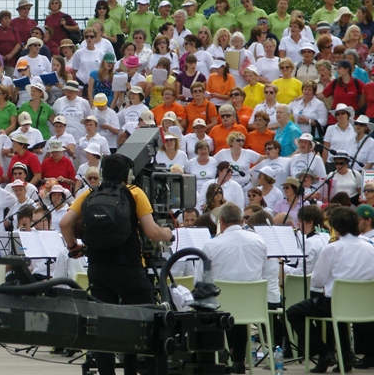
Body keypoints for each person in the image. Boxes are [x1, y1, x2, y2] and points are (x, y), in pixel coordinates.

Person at [61, 154, 176, 375]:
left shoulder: (89, 194)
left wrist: (74, 247)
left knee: (103, 325)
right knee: (149, 322)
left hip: (99, 269)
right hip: (129, 267)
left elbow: (65, 223)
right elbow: (152, 232)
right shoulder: (134, 192)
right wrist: (168, 233)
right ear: (128, 175)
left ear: (102, 173)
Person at [286, 207, 374, 373]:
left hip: (336, 304)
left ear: (335, 227)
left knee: (293, 312)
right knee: (337, 313)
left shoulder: (332, 249)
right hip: (365, 304)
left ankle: (323, 352)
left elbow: (317, 281)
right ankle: (345, 356)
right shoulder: (370, 248)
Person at [195, 202, 267, 374]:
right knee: (237, 300)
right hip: (253, 305)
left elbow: (199, 280)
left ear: (221, 220)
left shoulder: (212, 245)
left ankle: (218, 354)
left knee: (206, 300)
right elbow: (262, 270)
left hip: (223, 307)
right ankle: (238, 358)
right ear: (241, 220)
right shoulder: (259, 241)